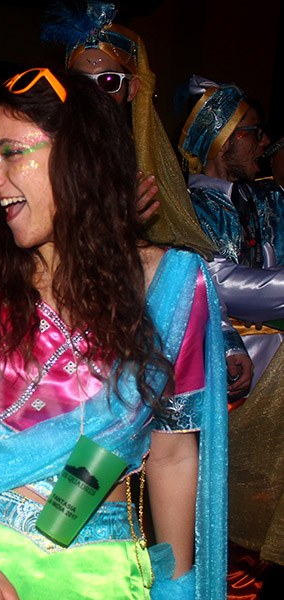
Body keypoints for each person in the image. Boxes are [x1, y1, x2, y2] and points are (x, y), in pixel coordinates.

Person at [0, 68, 227, 600]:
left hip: (96, 572)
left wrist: (177, 586)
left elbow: (172, 455)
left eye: (11, 153)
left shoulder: (170, 288)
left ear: (80, 156)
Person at [43, 1, 253, 402]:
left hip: (140, 354)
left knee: (147, 460)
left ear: (132, 88)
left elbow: (183, 261)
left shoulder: (146, 165)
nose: (93, 95)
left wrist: (226, 338)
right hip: (58, 349)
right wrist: (117, 227)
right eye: (80, 82)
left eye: (108, 81)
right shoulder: (40, 156)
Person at [179, 76, 284, 597]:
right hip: (227, 373)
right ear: (221, 139)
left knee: (265, 514)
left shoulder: (269, 202)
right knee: (225, 511)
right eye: (254, 133)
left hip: (276, 375)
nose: (263, 143)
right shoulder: (191, 206)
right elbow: (215, 282)